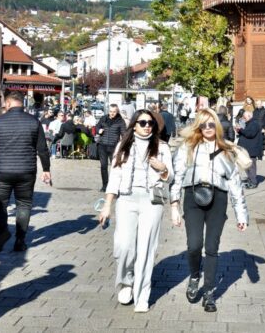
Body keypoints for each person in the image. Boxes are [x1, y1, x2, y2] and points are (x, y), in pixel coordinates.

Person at [170, 108, 248, 313]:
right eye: (203, 124)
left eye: (211, 124)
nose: (207, 128)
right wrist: (174, 205)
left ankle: (209, 293)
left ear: (217, 126)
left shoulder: (226, 149)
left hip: (218, 199)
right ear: (198, 126)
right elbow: (177, 176)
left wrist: (242, 215)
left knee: (212, 248)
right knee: (194, 245)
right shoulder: (188, 147)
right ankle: (195, 276)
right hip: (193, 197)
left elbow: (235, 183)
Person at [97, 110, 172, 313]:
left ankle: (142, 296)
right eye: (142, 122)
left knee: (146, 249)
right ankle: (126, 282)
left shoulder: (162, 146)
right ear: (134, 125)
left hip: (152, 201)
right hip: (127, 200)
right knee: (123, 246)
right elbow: (115, 176)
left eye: (150, 123)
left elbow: (170, 177)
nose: (147, 126)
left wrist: (163, 168)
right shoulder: (124, 145)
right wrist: (107, 205)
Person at [0, 91, 52, 253]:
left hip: (2, 171)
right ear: (22, 103)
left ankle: (2, 232)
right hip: (26, 171)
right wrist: (46, 169)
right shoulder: (34, 121)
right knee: (24, 204)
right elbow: (42, 149)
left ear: (8, 104)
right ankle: (20, 240)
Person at [96, 105, 126, 192]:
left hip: (114, 146)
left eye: (114, 112)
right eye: (110, 111)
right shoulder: (103, 118)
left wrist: (124, 144)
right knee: (103, 166)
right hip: (102, 145)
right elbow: (97, 127)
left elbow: (124, 134)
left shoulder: (120, 121)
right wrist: (99, 130)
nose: (112, 113)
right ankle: (105, 185)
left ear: (117, 112)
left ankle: (114, 186)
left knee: (115, 167)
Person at [236, 105, 263, 189]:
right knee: (247, 165)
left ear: (249, 116)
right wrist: (240, 131)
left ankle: (253, 182)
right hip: (248, 149)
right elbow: (247, 133)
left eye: (245, 117)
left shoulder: (254, 123)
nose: (244, 119)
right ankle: (250, 179)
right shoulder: (250, 123)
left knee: (251, 167)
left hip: (252, 149)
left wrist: (241, 130)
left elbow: (250, 134)